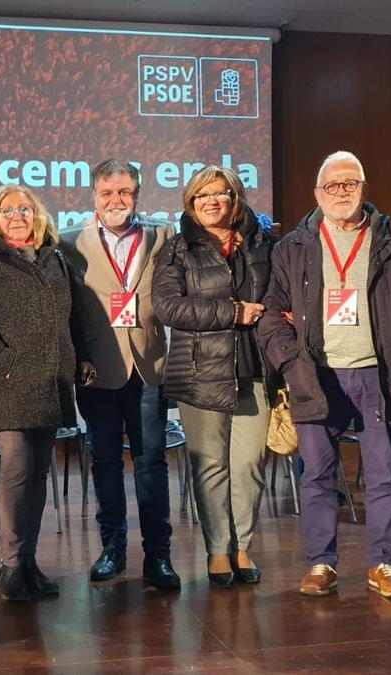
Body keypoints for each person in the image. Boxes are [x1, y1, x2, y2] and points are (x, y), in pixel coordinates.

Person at [258, 151, 391, 599]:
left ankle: (383, 564)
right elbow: (272, 315)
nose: (341, 192)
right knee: (316, 474)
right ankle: (320, 563)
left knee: (383, 473)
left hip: (377, 373)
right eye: (332, 186)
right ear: (317, 194)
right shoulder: (291, 247)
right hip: (316, 374)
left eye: (350, 184)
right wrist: (290, 362)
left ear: (364, 189)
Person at [151, 165, 276, 587]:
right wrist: (232, 312)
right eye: (202, 195)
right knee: (210, 468)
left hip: (254, 370)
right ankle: (218, 551)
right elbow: (168, 307)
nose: (211, 201)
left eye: (220, 193)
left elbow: (278, 296)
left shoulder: (261, 243)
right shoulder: (176, 248)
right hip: (198, 371)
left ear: (235, 198)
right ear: (190, 202)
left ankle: (242, 547)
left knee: (249, 466)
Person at [0, 185, 76, 604]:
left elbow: (66, 316)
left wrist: (77, 362)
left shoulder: (52, 256)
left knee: (39, 474)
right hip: (6, 379)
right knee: (17, 470)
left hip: (50, 379)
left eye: (25, 208)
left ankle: (28, 561)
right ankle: (11, 565)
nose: (17, 215)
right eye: (7, 210)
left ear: (37, 214)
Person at [60, 159, 179, 590]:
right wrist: (76, 357)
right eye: (108, 192)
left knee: (152, 465)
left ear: (137, 194)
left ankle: (158, 556)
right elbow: (65, 309)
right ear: (93, 195)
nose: (117, 200)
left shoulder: (163, 236)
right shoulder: (68, 242)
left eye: (125, 192)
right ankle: (112, 548)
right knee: (106, 463)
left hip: (148, 367)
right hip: (97, 370)